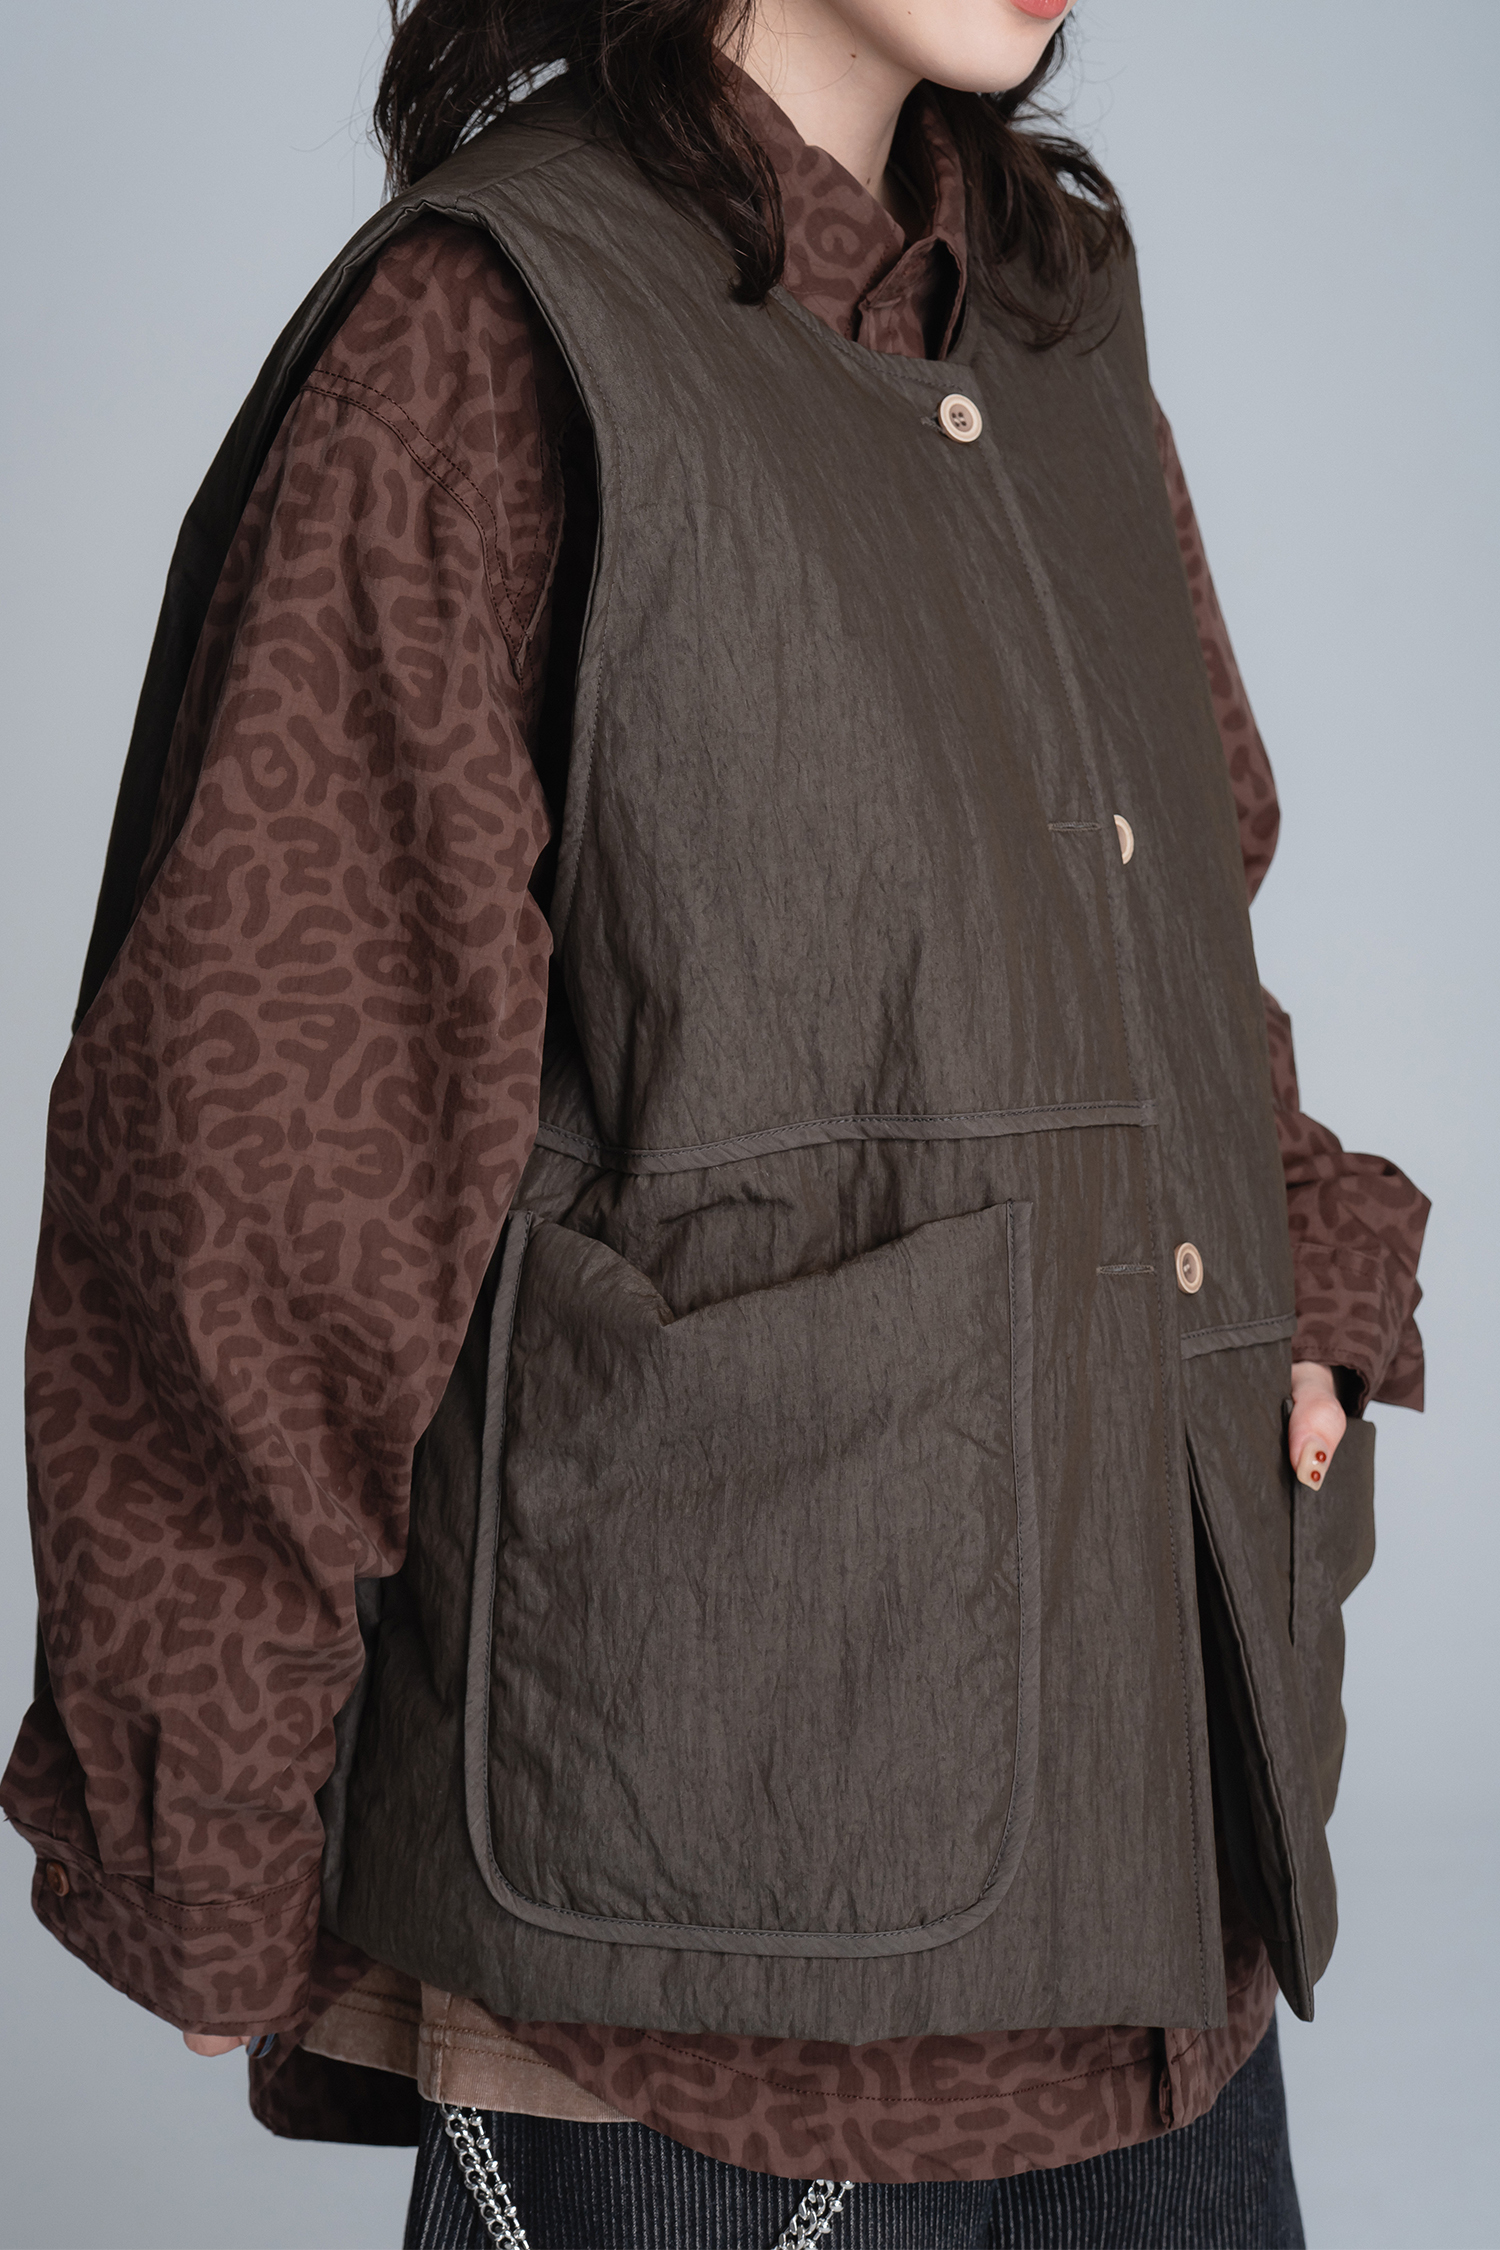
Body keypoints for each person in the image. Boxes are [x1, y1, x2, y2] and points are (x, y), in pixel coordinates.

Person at [2, 0, 1430, 2243]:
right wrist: (207, 1821)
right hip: (696, 1975)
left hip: (1160, 1912)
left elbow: (1164, 914)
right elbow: (258, 1129)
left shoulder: (1055, 307)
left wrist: (1306, 1286)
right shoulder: (489, 332)